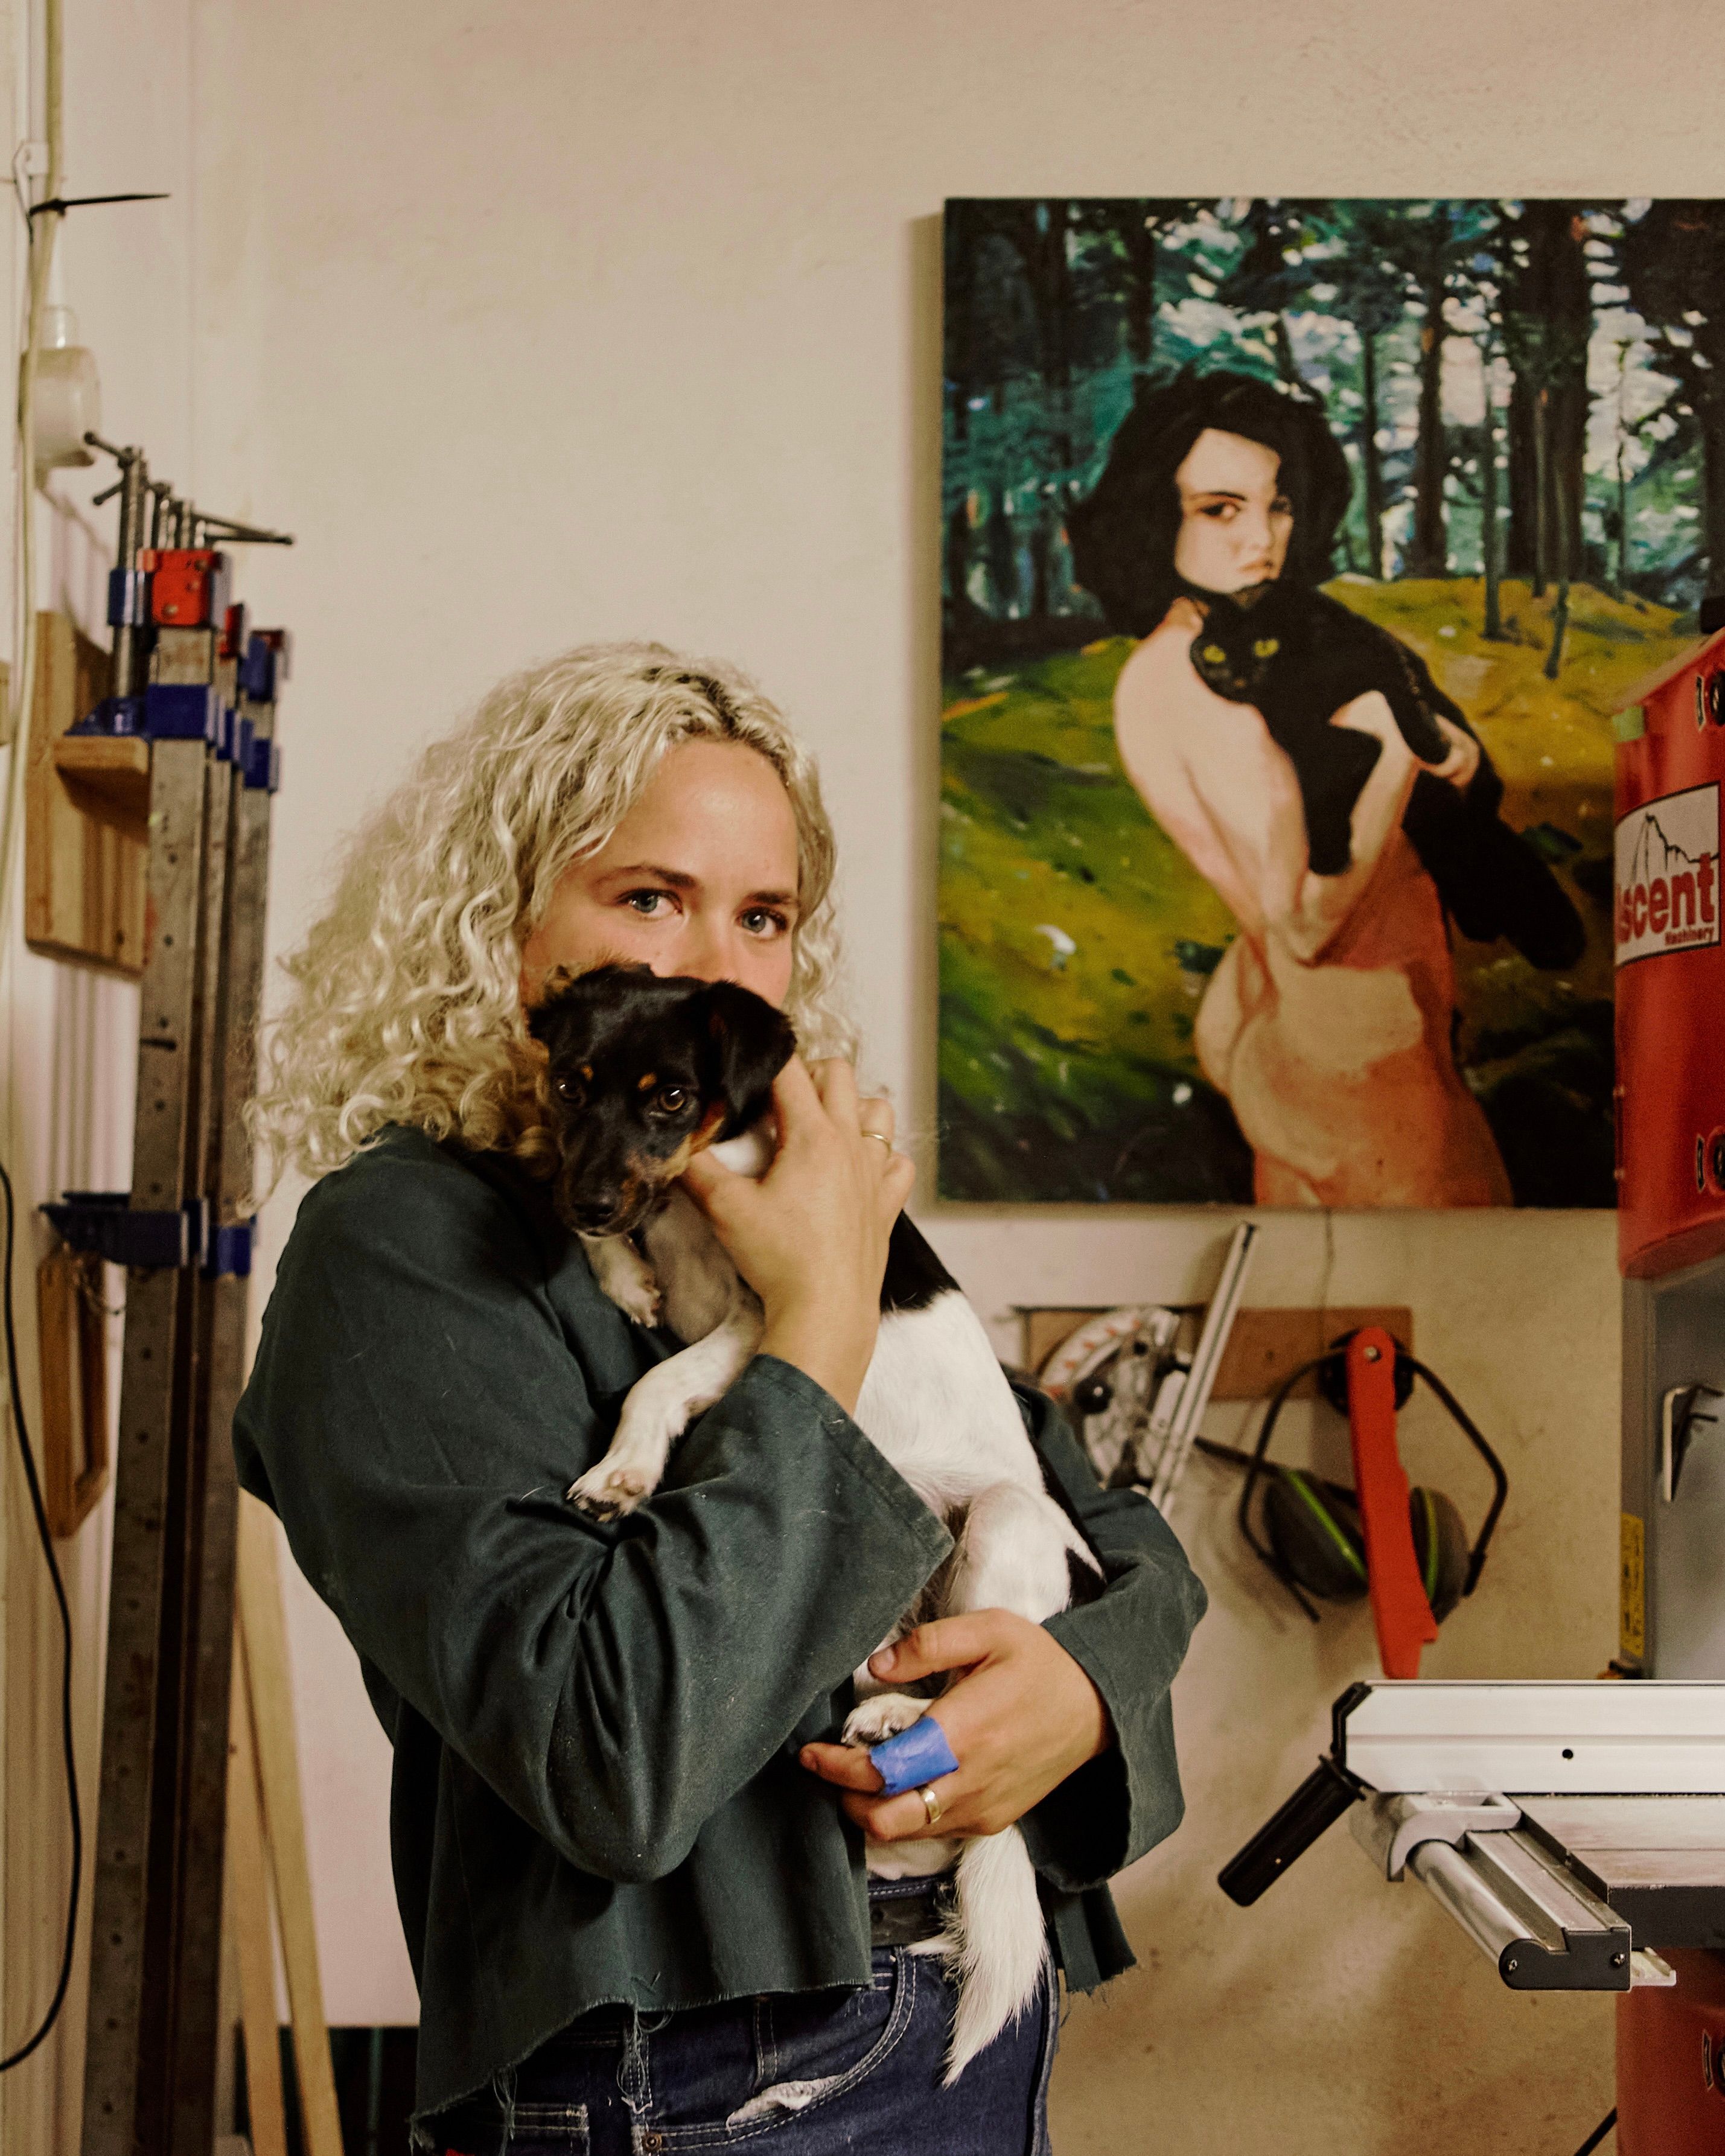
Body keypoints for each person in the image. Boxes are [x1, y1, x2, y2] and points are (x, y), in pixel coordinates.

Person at [235, 645, 1205, 2155]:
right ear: (503, 927)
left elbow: (1112, 1536)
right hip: (686, 2086)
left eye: (761, 918)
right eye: (647, 896)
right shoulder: (405, 1255)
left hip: (962, 2009)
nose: (709, 965)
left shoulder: (749, 1210)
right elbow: (613, 1761)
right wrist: (819, 1312)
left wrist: (1074, 1694)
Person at [1067, 369, 1583, 1209]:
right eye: (1219, 509)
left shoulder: (1179, 663)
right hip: (1360, 1066)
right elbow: (1305, 919)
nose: (1260, 537)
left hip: (1312, 1036)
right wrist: (1392, 753)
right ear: (1153, 516)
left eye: (1276, 505)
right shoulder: (1191, 684)